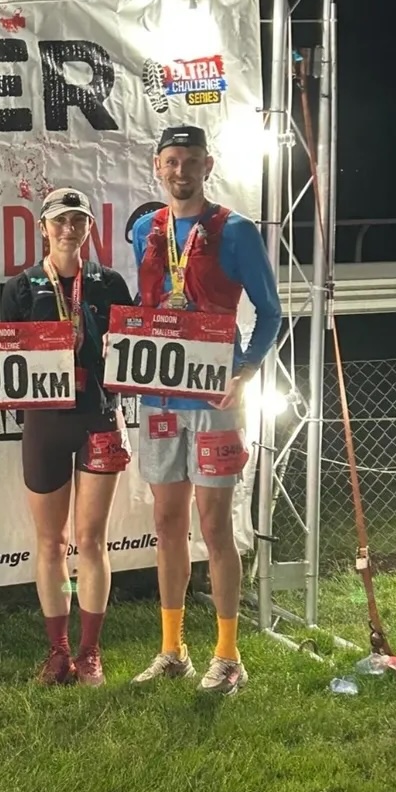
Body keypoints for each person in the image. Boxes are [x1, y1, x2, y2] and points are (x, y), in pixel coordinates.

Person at [0, 187, 133, 687]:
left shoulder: (109, 283)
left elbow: (132, 353)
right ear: (44, 229)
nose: (69, 229)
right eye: (60, 221)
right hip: (45, 424)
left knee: (92, 542)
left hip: (97, 417)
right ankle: (58, 654)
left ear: (90, 228)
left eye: (78, 220)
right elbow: (1, 354)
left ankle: (92, 654)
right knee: (51, 543)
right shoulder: (23, 287)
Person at [130, 125, 282, 694]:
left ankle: (228, 655)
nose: (180, 170)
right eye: (171, 160)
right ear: (157, 166)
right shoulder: (147, 228)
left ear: (207, 164)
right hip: (160, 397)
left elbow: (270, 314)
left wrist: (244, 374)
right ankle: (172, 649)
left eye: (190, 160)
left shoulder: (236, 231)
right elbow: (150, 307)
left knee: (214, 527)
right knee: (167, 523)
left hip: (214, 397)